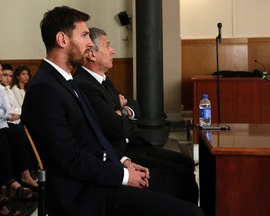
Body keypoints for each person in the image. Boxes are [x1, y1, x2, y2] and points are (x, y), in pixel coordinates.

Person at [21, 6, 204, 216]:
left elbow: (92, 138)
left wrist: (124, 161)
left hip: (99, 178)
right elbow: (69, 158)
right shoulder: (44, 89)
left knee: (183, 187)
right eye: (84, 35)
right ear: (62, 39)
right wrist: (124, 176)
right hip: (83, 195)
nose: (90, 43)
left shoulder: (64, 82)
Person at [74, 27, 199, 203]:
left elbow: (134, 106)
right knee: (183, 181)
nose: (113, 50)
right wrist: (122, 112)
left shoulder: (103, 78)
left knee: (186, 164)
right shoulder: (85, 84)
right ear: (92, 55)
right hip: (120, 154)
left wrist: (121, 111)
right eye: (108, 45)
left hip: (132, 143)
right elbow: (115, 128)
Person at [0, 59, 37, 216]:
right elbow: (4, 112)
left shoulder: (1, 89)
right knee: (7, 136)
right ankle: (11, 185)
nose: (1, 74)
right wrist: (2, 113)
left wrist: (2, 113)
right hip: (2, 126)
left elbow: (6, 110)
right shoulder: (7, 88)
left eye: (2, 70)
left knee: (17, 133)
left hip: (4, 125)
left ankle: (24, 175)